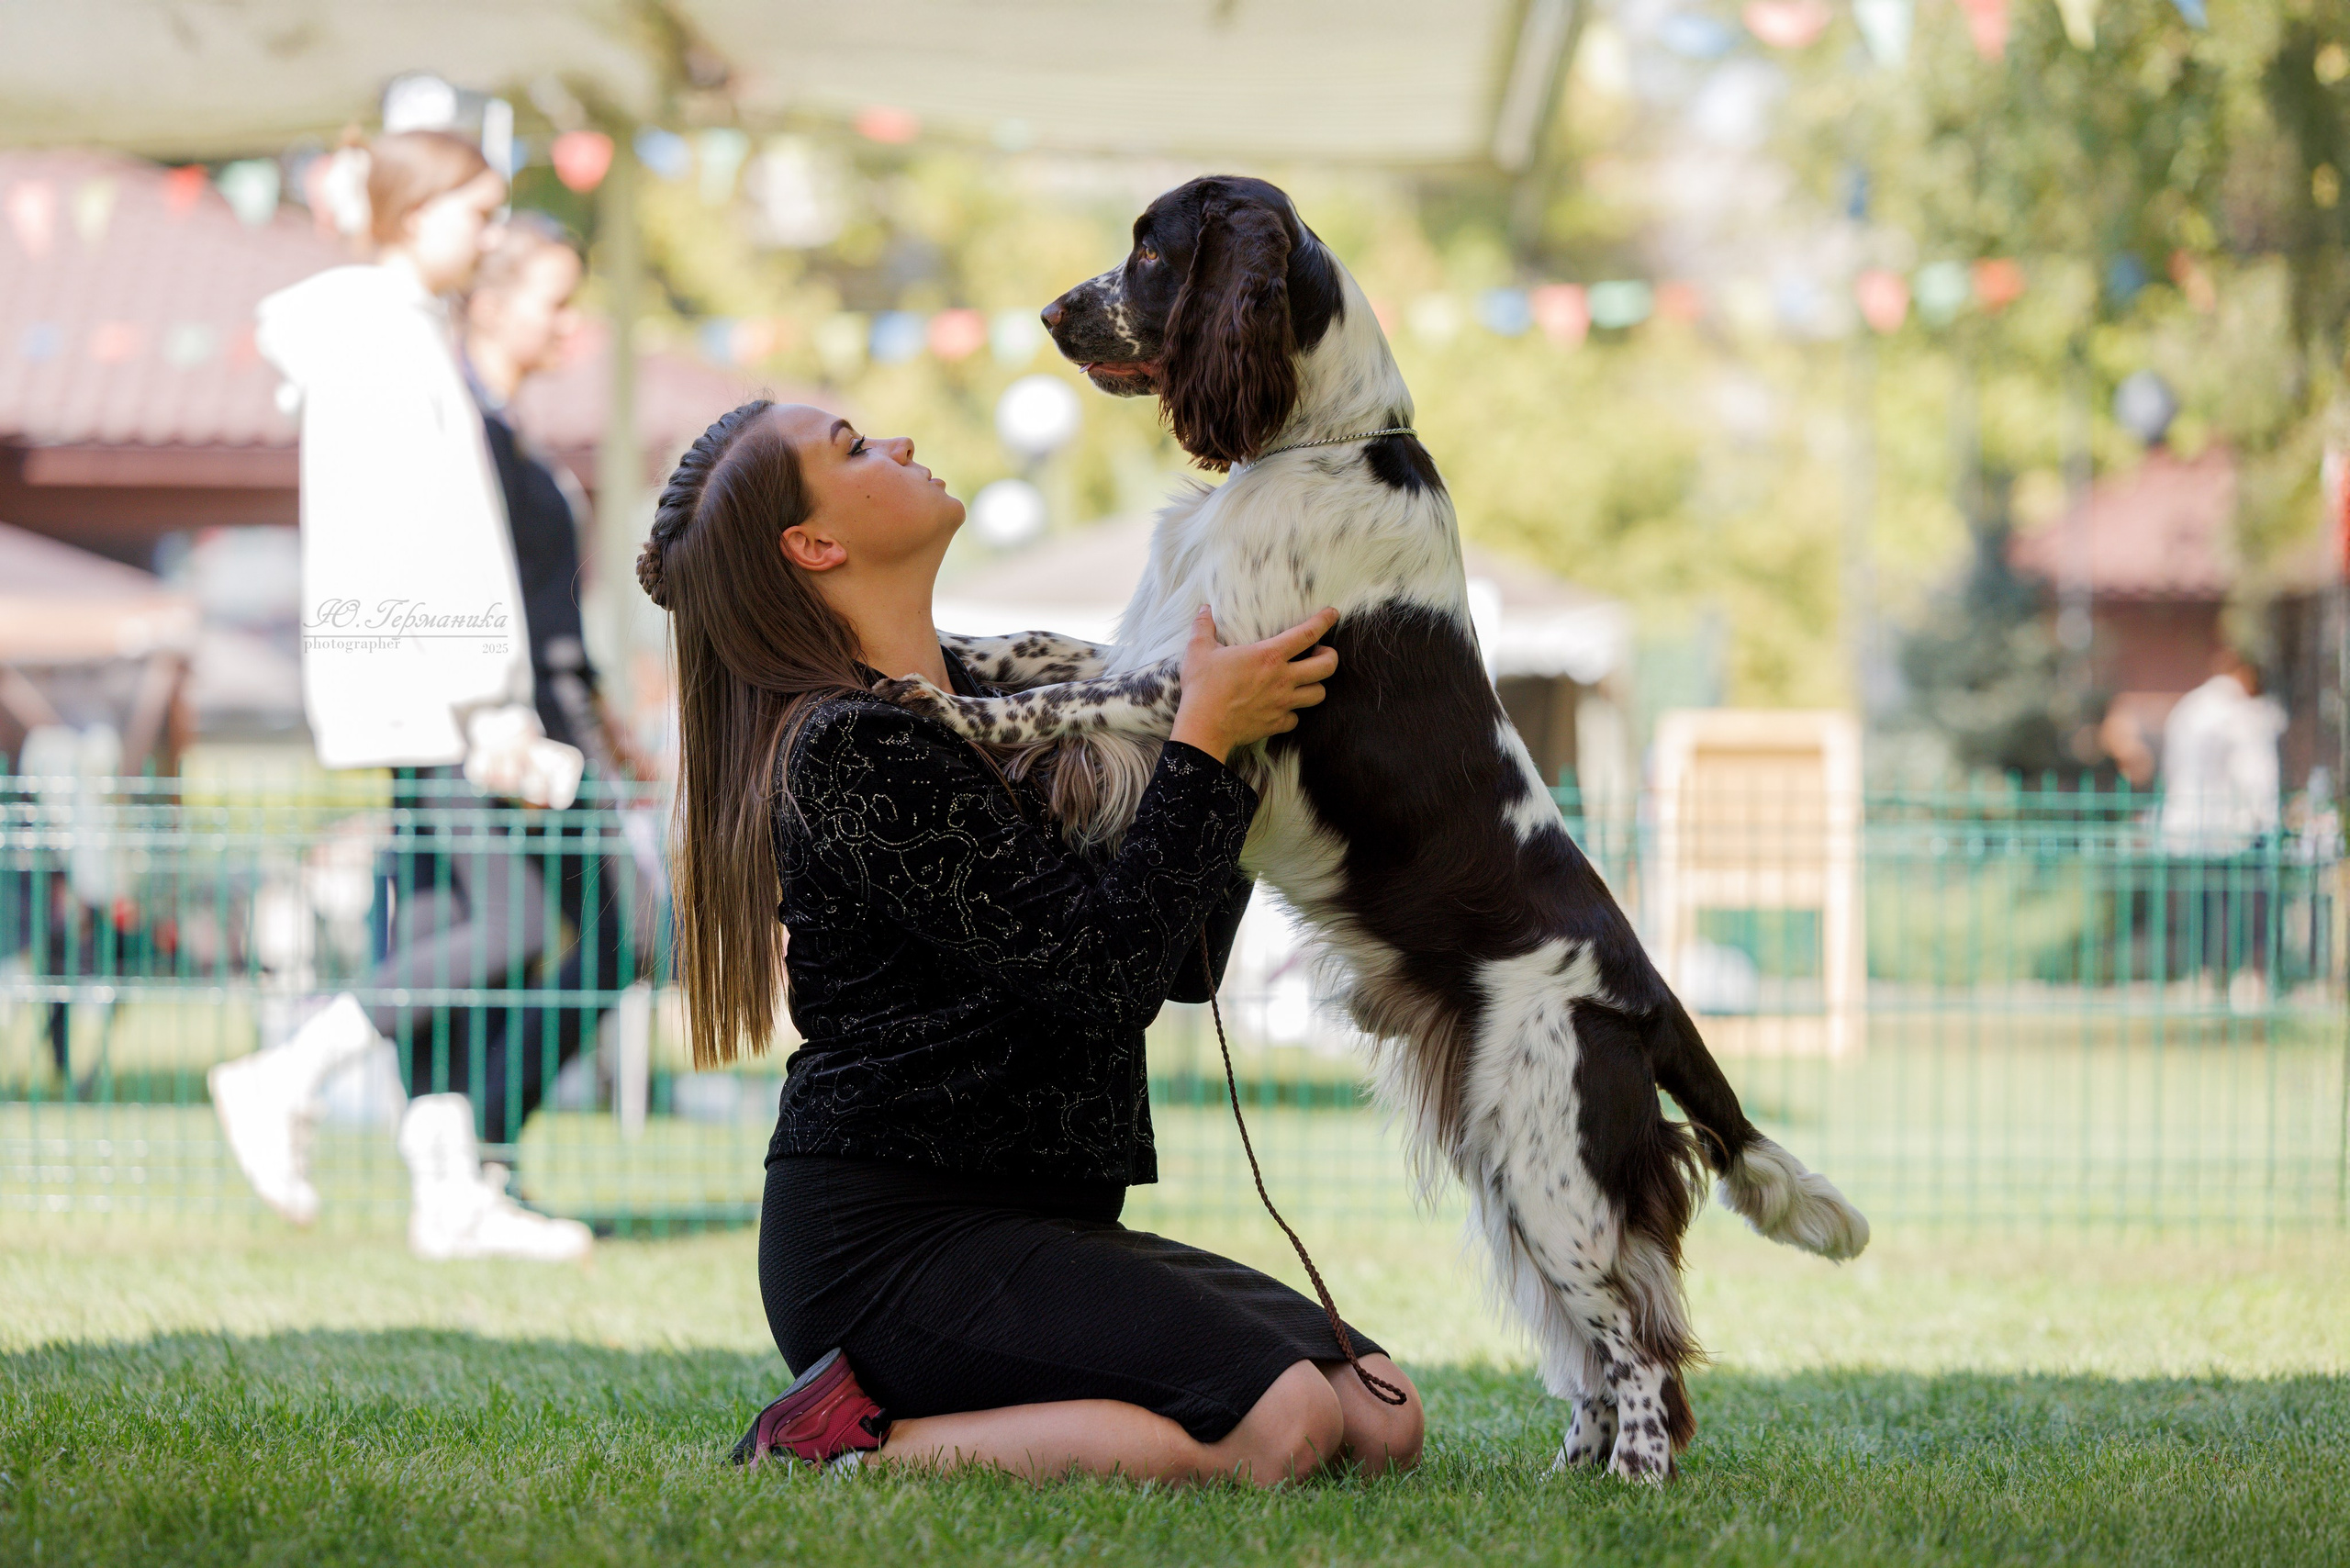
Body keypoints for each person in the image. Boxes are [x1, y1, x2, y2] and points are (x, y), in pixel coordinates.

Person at [637, 399, 1425, 1485]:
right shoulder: (850, 747)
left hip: (1044, 1226)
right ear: (814, 545)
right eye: (853, 448)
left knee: (1380, 1419)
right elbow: (1101, 972)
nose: (901, 441)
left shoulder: (1029, 701)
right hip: (894, 1244)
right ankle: (840, 1443)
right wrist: (1200, 737)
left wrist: (1227, 750)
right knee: (1283, 1427)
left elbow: (1178, 964)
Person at [212, 130, 592, 1262]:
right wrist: (488, 708)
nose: (488, 237)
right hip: (435, 689)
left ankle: (445, 1193)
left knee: (445, 919)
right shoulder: (381, 337)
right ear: (415, 211)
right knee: (515, 920)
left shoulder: (399, 332)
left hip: (432, 686)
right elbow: (418, 542)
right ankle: (285, 1071)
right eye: (475, 213)